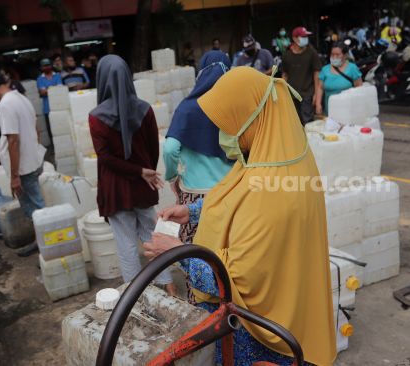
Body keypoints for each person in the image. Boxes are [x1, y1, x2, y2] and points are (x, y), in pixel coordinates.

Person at [144, 67, 336, 365]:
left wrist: (176, 252)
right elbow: (238, 200)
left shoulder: (270, 195)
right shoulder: (282, 160)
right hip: (294, 304)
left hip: (256, 336)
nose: (225, 134)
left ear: (253, 118)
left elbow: (234, 282)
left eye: (230, 124)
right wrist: (193, 211)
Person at [89, 55, 176, 296]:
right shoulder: (145, 110)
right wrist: (143, 170)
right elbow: (152, 148)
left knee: (126, 244)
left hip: (115, 190)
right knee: (152, 236)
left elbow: (104, 158)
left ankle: (135, 297)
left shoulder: (96, 117)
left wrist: (136, 171)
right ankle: (168, 285)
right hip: (142, 186)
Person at [163, 51, 234, 245]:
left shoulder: (187, 108)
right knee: (227, 251)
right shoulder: (236, 107)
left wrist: (171, 176)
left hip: (194, 194)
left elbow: (170, 148)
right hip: (231, 191)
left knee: (197, 252)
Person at [0, 68, 46, 256]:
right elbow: (36, 129)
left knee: (36, 210)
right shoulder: (21, 98)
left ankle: (48, 246)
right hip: (31, 161)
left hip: (24, 167)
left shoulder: (5, 104)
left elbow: (13, 140)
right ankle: (40, 243)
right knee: (35, 207)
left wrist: (15, 176)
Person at [281, 26, 322, 125]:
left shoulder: (311, 52)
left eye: (306, 36)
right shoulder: (287, 54)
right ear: (295, 38)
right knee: (294, 122)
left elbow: (317, 74)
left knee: (307, 122)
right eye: (303, 36)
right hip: (291, 94)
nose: (305, 39)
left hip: (307, 93)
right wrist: (283, 93)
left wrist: (316, 95)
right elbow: (284, 75)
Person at [316, 42, 364, 115]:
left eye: (338, 55)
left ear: (345, 55)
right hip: (330, 112)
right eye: (332, 54)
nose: (334, 57)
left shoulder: (352, 68)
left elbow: (359, 88)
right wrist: (318, 104)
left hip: (349, 112)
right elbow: (320, 87)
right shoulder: (325, 69)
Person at [36, 58, 63, 139]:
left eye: (48, 65)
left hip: (60, 106)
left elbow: (60, 90)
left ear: (51, 65)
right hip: (47, 108)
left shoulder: (57, 75)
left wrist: (48, 89)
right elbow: (42, 92)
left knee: (61, 128)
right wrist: (54, 88)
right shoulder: (39, 79)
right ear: (41, 68)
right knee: (51, 130)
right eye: (44, 66)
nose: (46, 67)